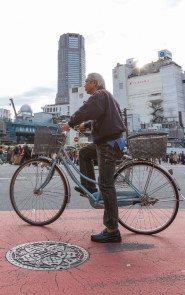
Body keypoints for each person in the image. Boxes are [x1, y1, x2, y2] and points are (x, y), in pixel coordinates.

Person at [63, 73, 126, 243]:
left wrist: (70, 123)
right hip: (109, 142)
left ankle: (112, 229)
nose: (84, 85)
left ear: (94, 83)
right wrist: (87, 124)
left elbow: (86, 110)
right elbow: (104, 117)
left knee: (106, 184)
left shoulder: (99, 95)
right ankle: (89, 189)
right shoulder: (106, 97)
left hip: (109, 144)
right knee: (84, 153)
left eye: (86, 82)